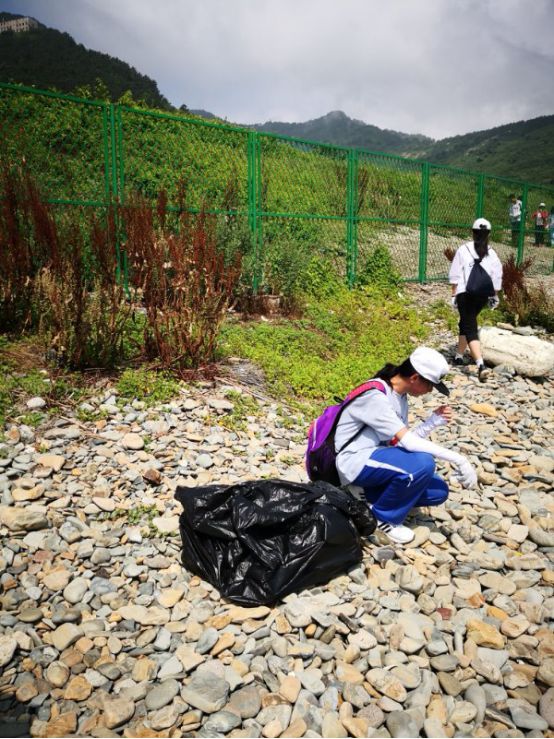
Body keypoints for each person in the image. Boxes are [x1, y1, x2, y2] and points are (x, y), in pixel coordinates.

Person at [335, 347, 477, 545]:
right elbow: (408, 443)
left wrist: (432, 423)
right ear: (415, 378)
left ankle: (363, 494)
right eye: (430, 386)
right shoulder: (376, 396)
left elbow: (401, 440)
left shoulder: (399, 396)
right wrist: (460, 460)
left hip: (376, 459)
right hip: (353, 461)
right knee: (424, 464)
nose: (430, 391)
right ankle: (383, 518)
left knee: (438, 490)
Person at [449, 217, 503, 380]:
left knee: (470, 326)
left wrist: (453, 294)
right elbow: (497, 276)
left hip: (465, 293)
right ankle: (459, 355)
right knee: (466, 321)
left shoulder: (464, 249)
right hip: (482, 295)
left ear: (472, 233)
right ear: (488, 234)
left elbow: (455, 274)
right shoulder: (492, 253)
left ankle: (480, 365)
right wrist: (495, 295)